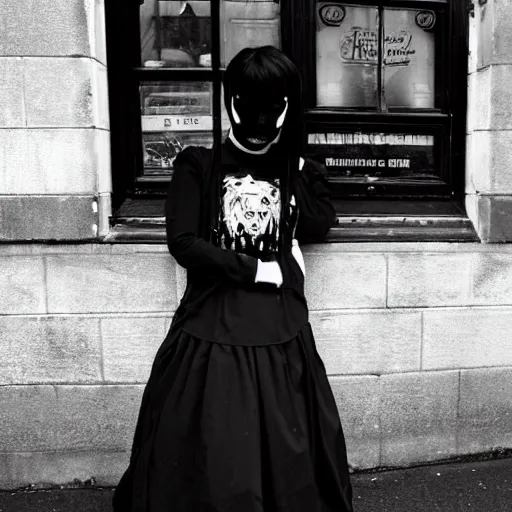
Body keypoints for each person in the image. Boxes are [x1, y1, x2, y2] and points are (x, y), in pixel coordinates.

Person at [112, 45, 353, 512]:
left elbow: (320, 222)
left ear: (284, 110)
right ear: (232, 104)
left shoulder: (290, 169)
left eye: (274, 109)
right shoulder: (198, 165)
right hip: (212, 323)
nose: (263, 126)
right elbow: (184, 243)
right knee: (214, 439)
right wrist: (259, 269)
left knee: (286, 438)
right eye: (253, 108)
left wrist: (298, 168)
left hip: (278, 330)